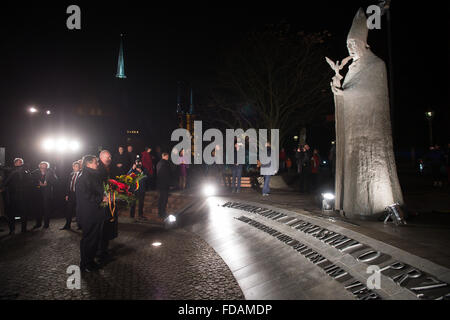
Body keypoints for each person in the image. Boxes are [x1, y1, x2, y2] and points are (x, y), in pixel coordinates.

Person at [76, 155, 106, 272]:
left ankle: (90, 261)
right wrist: (101, 199)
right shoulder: (84, 177)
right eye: (95, 162)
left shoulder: (92, 175)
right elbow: (86, 195)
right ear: (88, 164)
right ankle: (86, 264)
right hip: (89, 214)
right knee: (89, 239)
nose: (97, 164)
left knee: (94, 239)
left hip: (95, 212)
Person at [97, 150, 117, 265]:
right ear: (101, 157)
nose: (109, 159)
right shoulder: (99, 169)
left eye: (110, 157)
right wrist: (103, 195)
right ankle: (100, 253)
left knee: (107, 226)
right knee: (102, 227)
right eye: (107, 157)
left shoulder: (110, 168)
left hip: (110, 200)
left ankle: (104, 250)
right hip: (103, 202)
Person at [1, 158, 30, 234]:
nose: (21, 163)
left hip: (23, 194)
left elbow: (29, 181)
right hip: (12, 195)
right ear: (15, 163)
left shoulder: (25, 171)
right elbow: (6, 180)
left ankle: (23, 229)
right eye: (19, 162)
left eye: (21, 162)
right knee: (11, 213)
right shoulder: (10, 171)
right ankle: (12, 230)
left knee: (24, 212)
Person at [32, 161, 57, 229]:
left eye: (44, 166)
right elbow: (31, 181)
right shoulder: (35, 172)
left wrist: (47, 182)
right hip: (38, 193)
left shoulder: (50, 172)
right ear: (39, 166)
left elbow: (55, 181)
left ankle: (46, 224)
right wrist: (38, 183)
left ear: (47, 167)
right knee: (38, 209)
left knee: (47, 209)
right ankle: (38, 223)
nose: (43, 167)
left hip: (47, 193)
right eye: (42, 166)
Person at [61, 161, 81, 230]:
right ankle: (67, 225)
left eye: (77, 166)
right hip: (71, 194)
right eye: (74, 166)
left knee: (78, 211)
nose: (75, 167)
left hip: (78, 195)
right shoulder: (71, 174)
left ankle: (80, 225)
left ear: (79, 167)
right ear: (72, 167)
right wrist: (67, 194)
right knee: (69, 210)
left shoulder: (82, 174)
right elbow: (68, 185)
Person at [157, 152, 171, 221]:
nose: (168, 157)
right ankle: (163, 213)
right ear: (164, 156)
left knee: (160, 199)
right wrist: (169, 184)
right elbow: (167, 175)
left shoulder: (158, 163)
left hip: (160, 184)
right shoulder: (165, 164)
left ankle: (160, 212)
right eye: (167, 156)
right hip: (165, 184)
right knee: (164, 199)